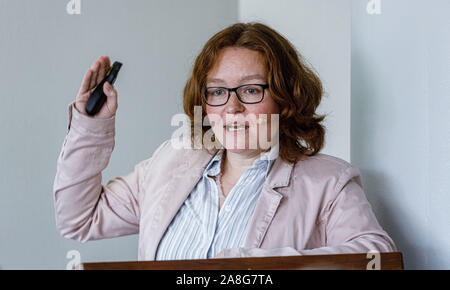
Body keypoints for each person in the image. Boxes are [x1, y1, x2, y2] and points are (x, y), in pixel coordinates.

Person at [53, 22, 396, 261]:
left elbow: (376, 256)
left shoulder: (328, 182)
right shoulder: (168, 163)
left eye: (250, 90)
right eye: (217, 91)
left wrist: (255, 265)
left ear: (285, 98)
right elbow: (78, 217)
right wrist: (91, 125)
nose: (232, 107)